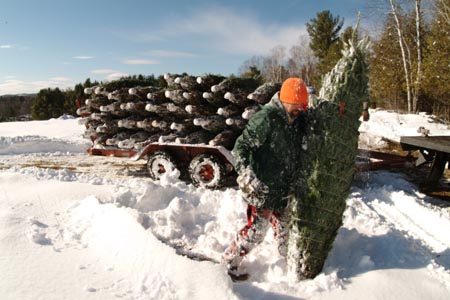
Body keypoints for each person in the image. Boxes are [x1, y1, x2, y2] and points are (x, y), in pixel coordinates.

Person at [222, 78, 308, 278]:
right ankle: (229, 261)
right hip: (262, 186)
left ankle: (286, 263)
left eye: (302, 106)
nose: (300, 110)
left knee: (285, 229)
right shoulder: (266, 118)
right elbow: (240, 146)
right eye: (297, 105)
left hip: (283, 187)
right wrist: (246, 174)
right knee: (257, 230)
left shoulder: (296, 118)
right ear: (286, 100)